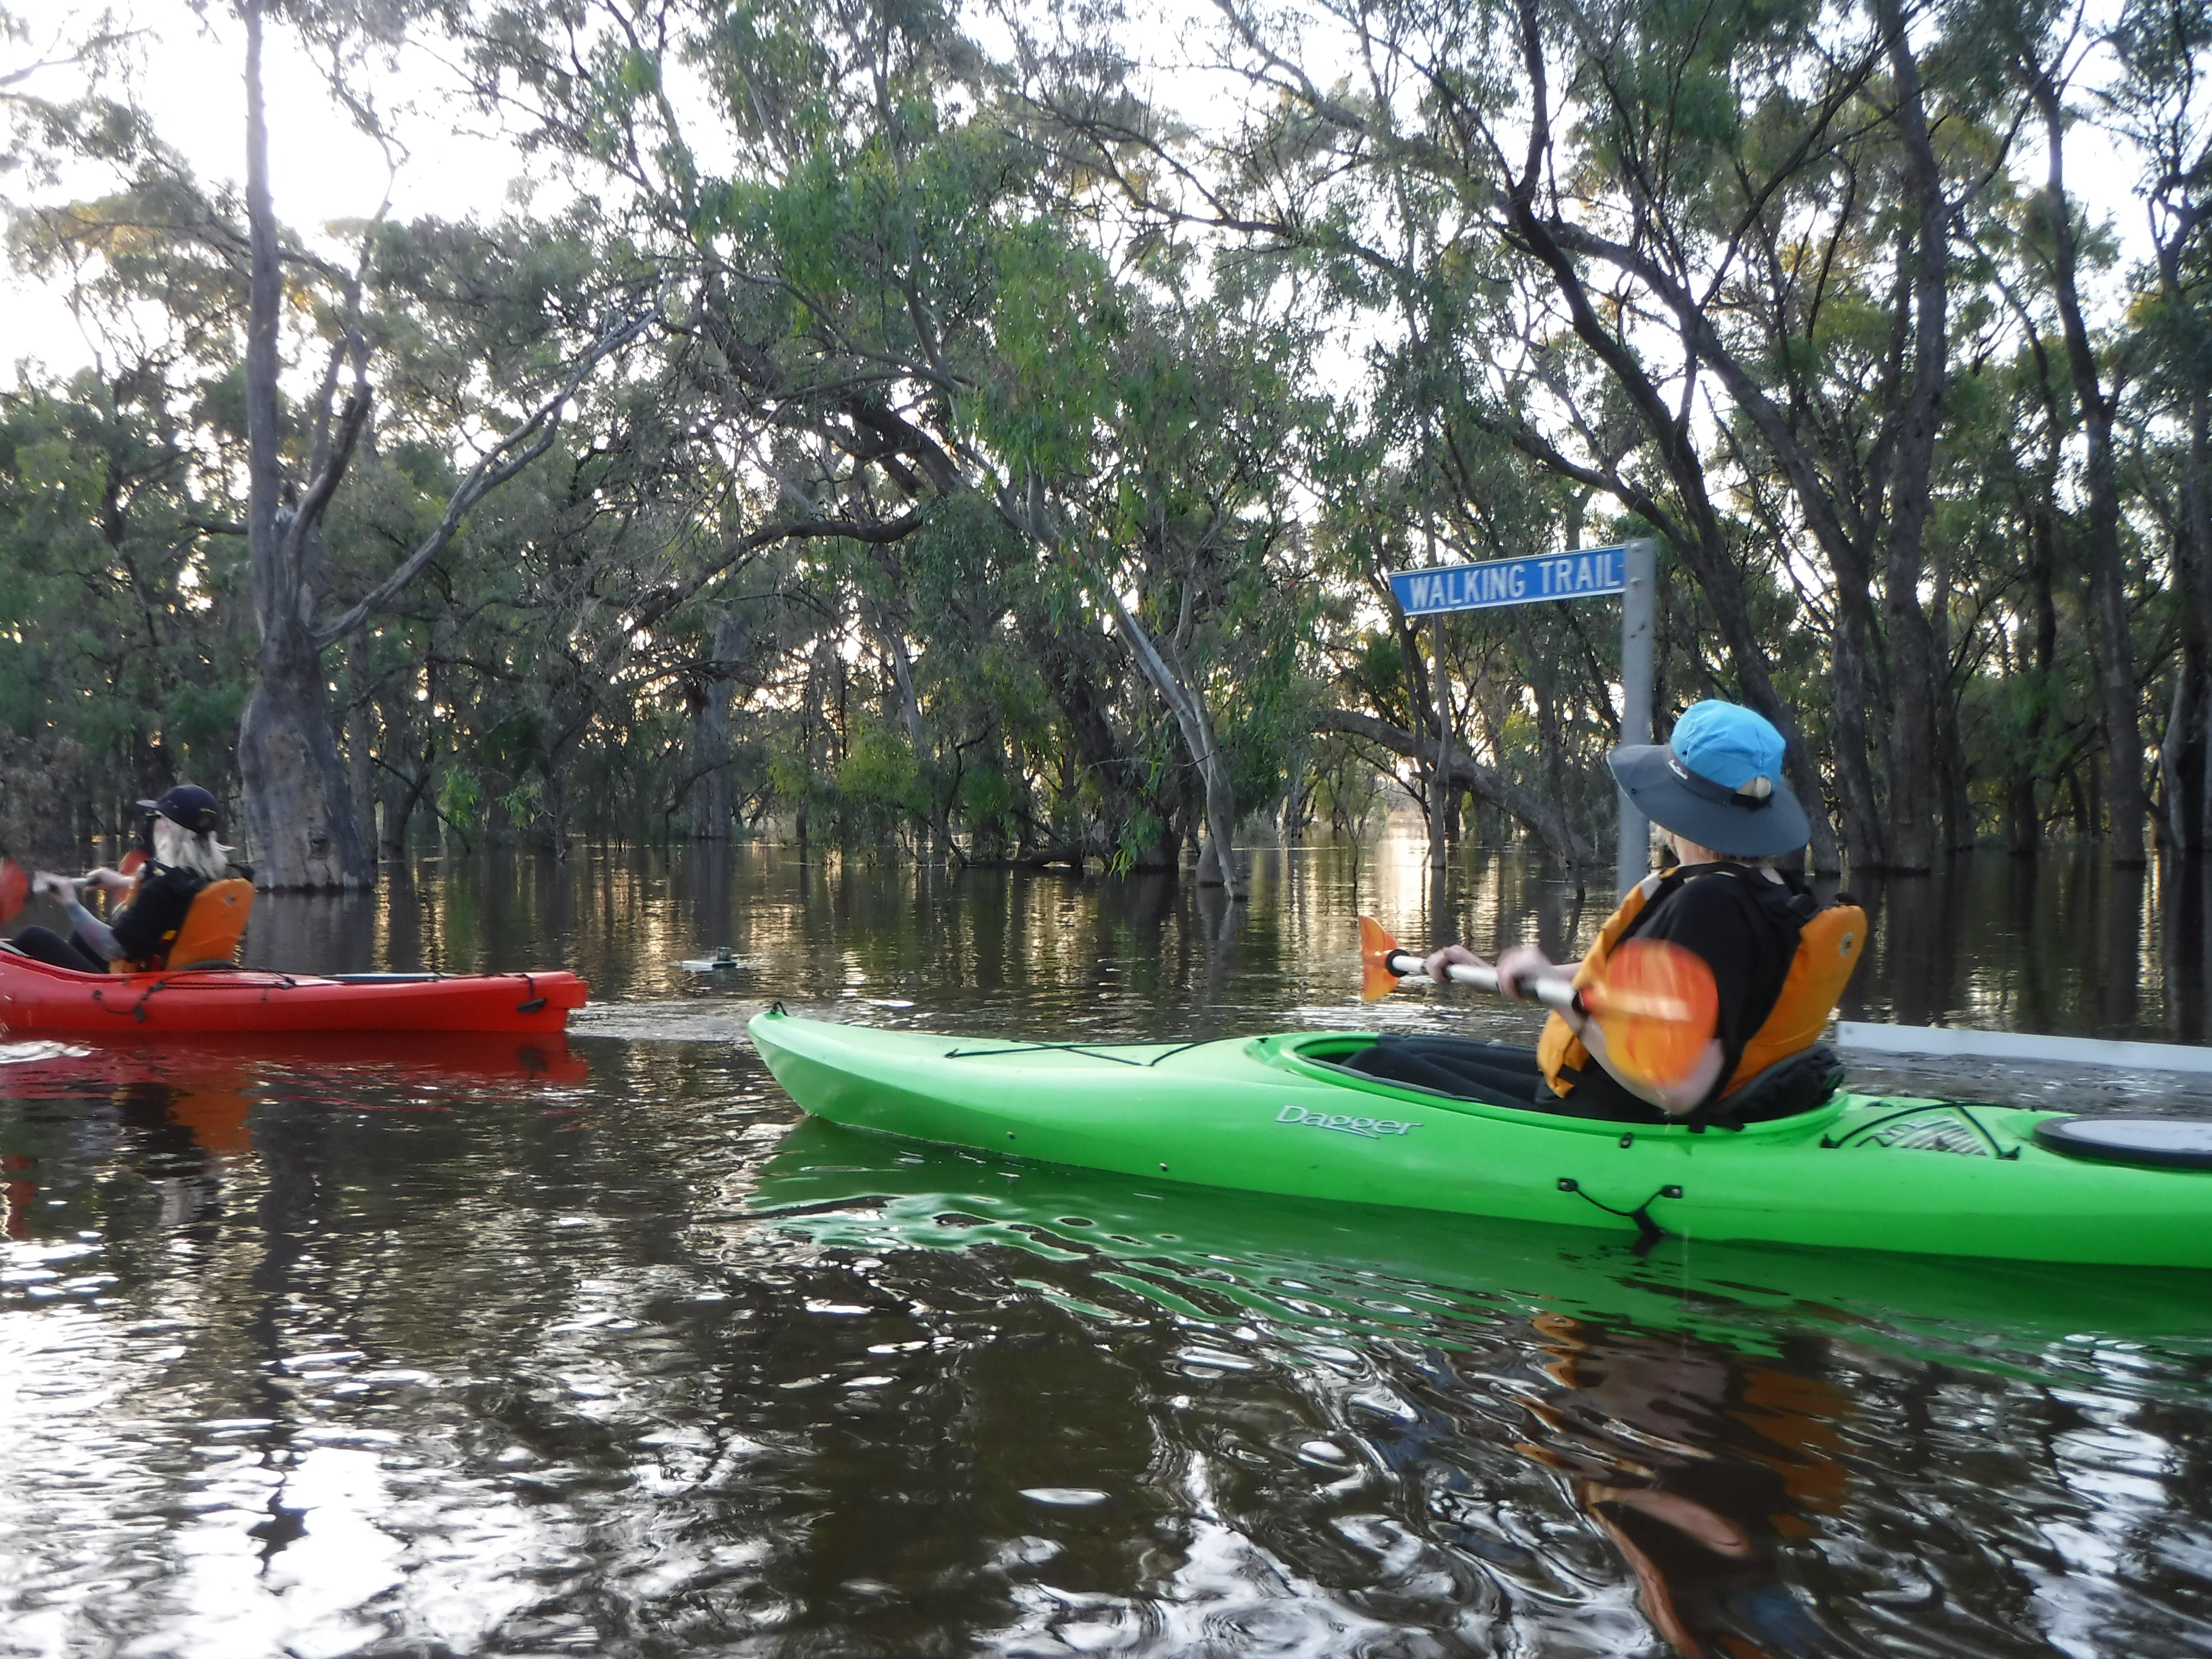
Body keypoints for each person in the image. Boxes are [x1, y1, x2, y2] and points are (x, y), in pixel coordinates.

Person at [1352, 700, 1864, 1126]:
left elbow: (1678, 1088)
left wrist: (1569, 1005)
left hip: (1611, 1118)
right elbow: (1659, 985)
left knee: (1377, 1063)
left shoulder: (1711, 907)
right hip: (1607, 1093)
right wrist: (1518, 974)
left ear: (1680, 811)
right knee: (1412, 1049)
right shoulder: (1772, 894)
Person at [12, 786, 236, 974]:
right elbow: (173, 898)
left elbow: (112, 948)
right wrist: (121, 881)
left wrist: (71, 903)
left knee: (34, 938)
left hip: (136, 987)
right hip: (163, 975)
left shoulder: (161, 889)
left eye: (158, 818)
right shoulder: (209, 878)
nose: (154, 825)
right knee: (81, 939)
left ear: (170, 828)